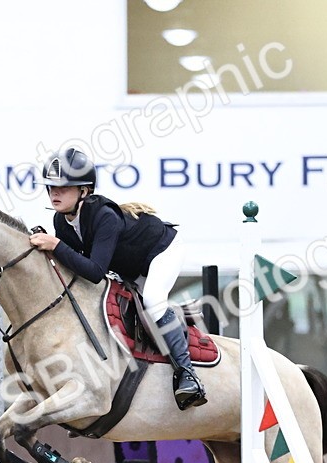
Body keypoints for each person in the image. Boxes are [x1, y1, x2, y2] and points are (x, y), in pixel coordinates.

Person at [27, 147, 207, 410]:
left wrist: (56, 246)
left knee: (153, 301)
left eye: (63, 187)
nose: (55, 193)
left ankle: (188, 374)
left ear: (84, 190)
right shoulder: (61, 221)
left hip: (162, 251)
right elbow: (75, 267)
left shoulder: (104, 216)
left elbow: (95, 271)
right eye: (51, 187)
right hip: (131, 267)